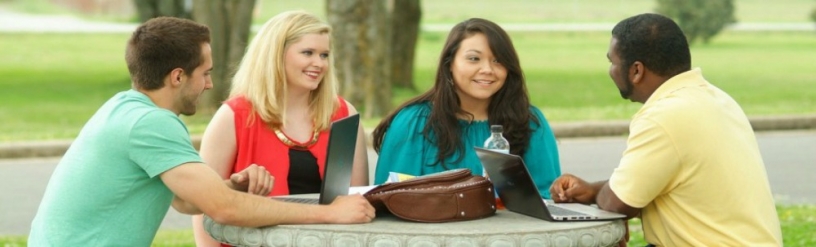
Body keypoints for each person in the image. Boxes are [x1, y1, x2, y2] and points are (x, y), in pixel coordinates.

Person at [27, 17, 374, 246]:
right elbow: (224, 210)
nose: (210, 85)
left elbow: (184, 199)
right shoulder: (152, 125)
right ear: (178, 77)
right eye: (204, 73)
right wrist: (328, 213)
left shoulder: (125, 108)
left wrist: (227, 185)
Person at [549, 13, 782, 246]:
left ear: (636, 71)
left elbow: (618, 203)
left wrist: (601, 196)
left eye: (613, 62)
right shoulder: (718, 99)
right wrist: (591, 191)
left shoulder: (663, 116)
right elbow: (649, 184)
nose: (611, 71)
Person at [190, 10, 371, 246]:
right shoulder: (233, 116)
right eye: (308, 53)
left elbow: (357, 201)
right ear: (276, 55)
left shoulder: (343, 114)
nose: (319, 63)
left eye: (324, 55)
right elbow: (204, 206)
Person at [372, 18, 561, 198]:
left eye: (498, 60)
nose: (487, 69)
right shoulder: (413, 122)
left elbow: (547, 196)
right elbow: (390, 198)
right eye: (473, 59)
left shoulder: (529, 121)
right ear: (450, 64)